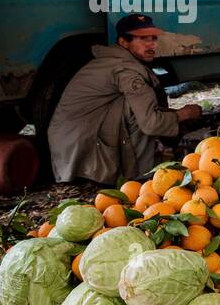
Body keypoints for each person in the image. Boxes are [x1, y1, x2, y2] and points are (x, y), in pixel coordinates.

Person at [49, 14, 201, 184]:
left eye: (153, 39)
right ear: (123, 42)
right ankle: (142, 176)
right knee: (138, 110)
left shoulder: (114, 60)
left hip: (70, 143)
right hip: (78, 150)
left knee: (141, 105)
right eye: (143, 39)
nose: (151, 44)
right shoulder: (126, 70)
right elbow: (151, 123)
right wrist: (185, 113)